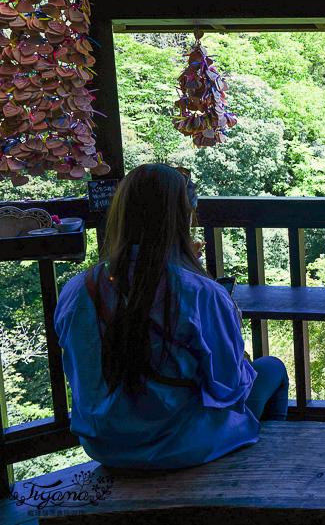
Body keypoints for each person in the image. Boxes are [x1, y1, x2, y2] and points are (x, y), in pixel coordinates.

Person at [54, 164, 289, 470]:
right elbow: (228, 388)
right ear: (182, 219)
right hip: (181, 447)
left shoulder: (76, 290)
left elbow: (80, 371)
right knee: (270, 368)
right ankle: (262, 467)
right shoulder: (201, 293)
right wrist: (232, 334)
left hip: (106, 446)